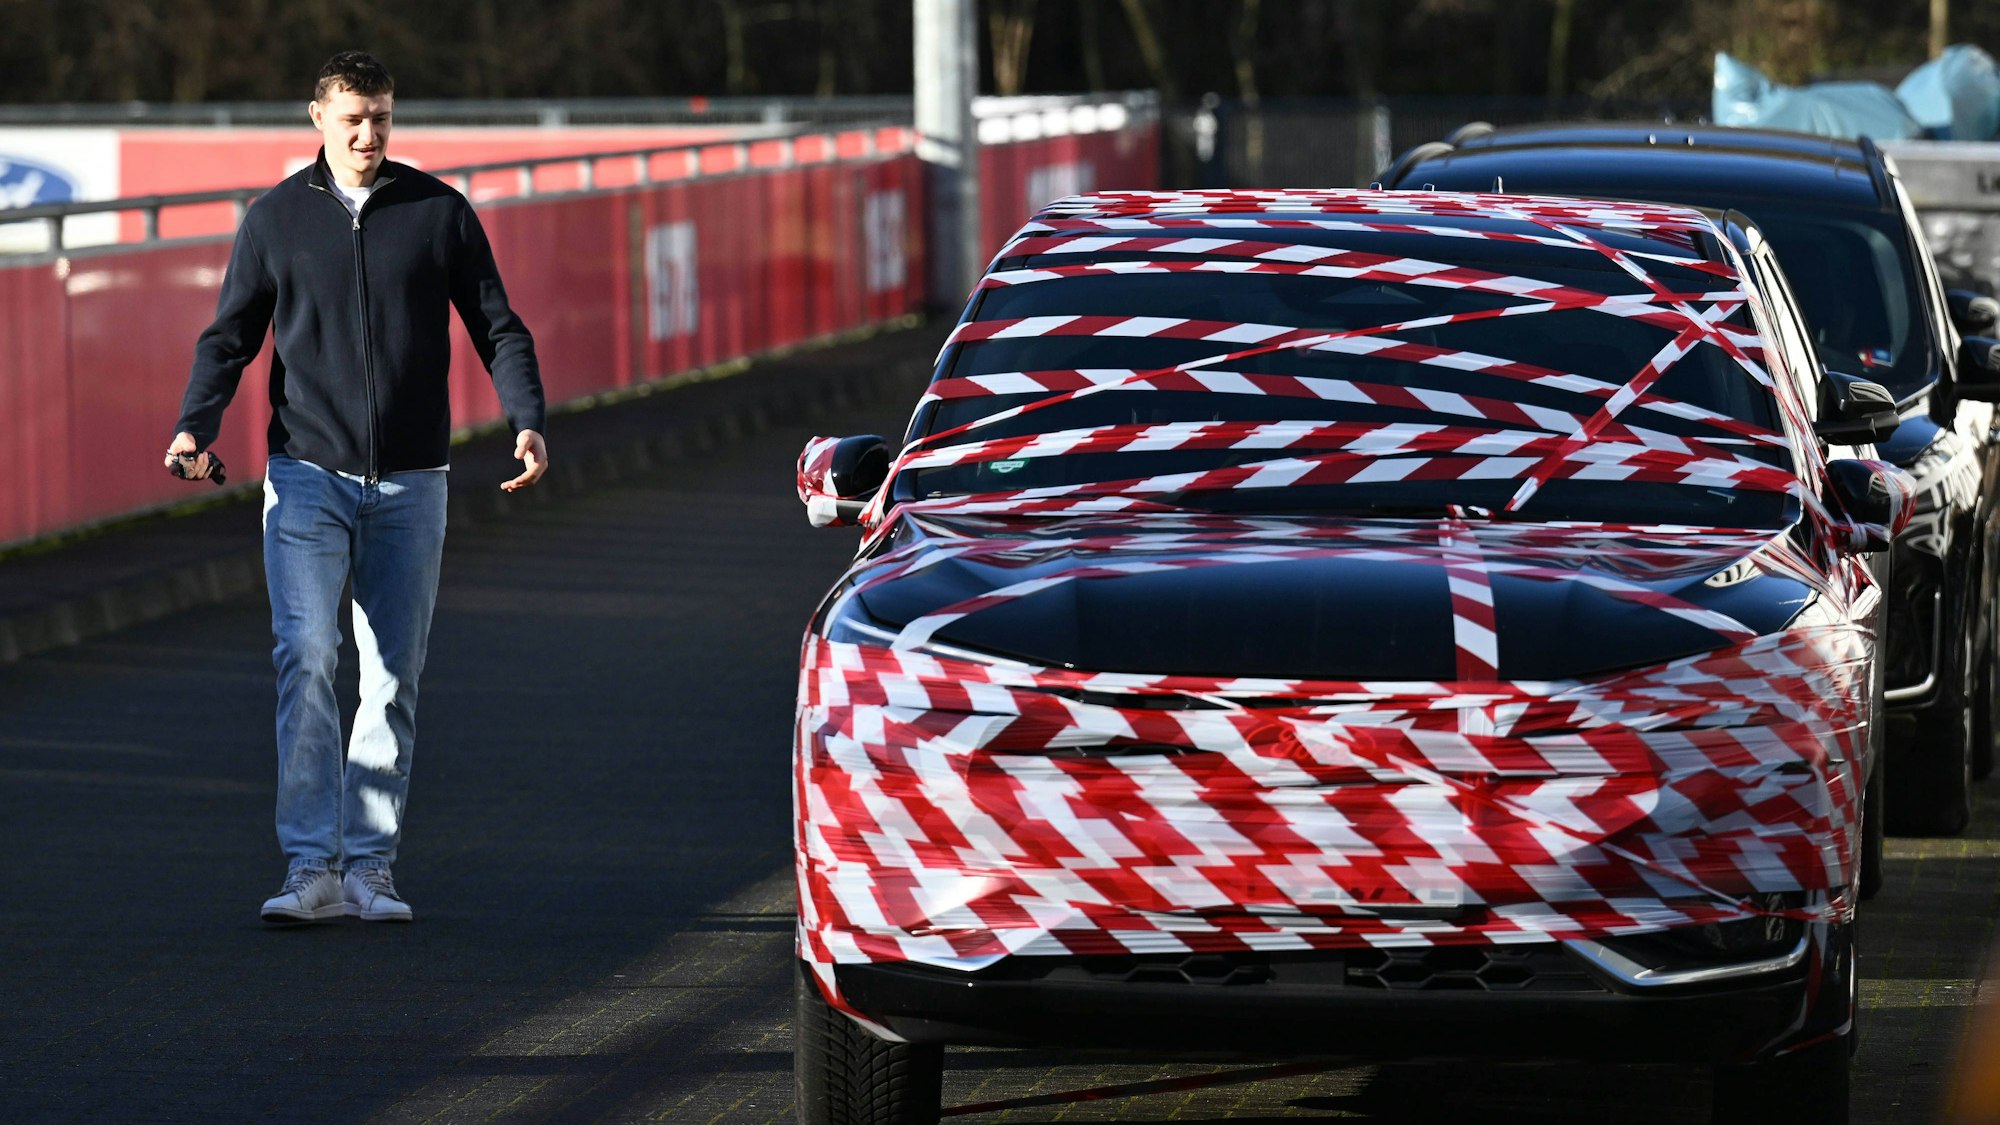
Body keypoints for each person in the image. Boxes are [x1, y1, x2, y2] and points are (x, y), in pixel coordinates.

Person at [165, 50, 549, 925]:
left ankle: (371, 866)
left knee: (391, 677)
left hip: (415, 483)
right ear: (317, 119)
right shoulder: (273, 220)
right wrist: (195, 425)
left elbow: (499, 326)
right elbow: (228, 339)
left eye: (381, 116)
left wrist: (526, 416)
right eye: (352, 118)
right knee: (304, 656)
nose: (369, 133)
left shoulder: (438, 212)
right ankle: (311, 865)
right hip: (305, 475)